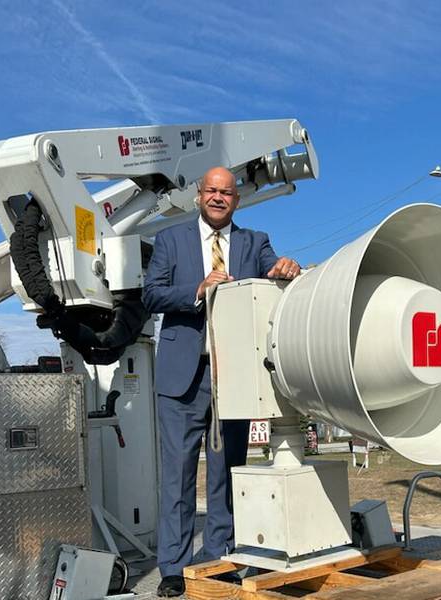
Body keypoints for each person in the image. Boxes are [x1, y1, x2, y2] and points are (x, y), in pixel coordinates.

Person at [142, 166, 300, 597]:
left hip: (235, 376)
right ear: (199, 195)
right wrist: (196, 289)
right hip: (182, 378)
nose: (218, 197)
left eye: (226, 192)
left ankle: (219, 559)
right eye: (211, 190)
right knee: (177, 475)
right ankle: (174, 568)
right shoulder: (170, 240)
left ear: (236, 199)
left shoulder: (255, 242)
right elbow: (151, 294)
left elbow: (273, 271)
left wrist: (285, 267)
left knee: (227, 475)